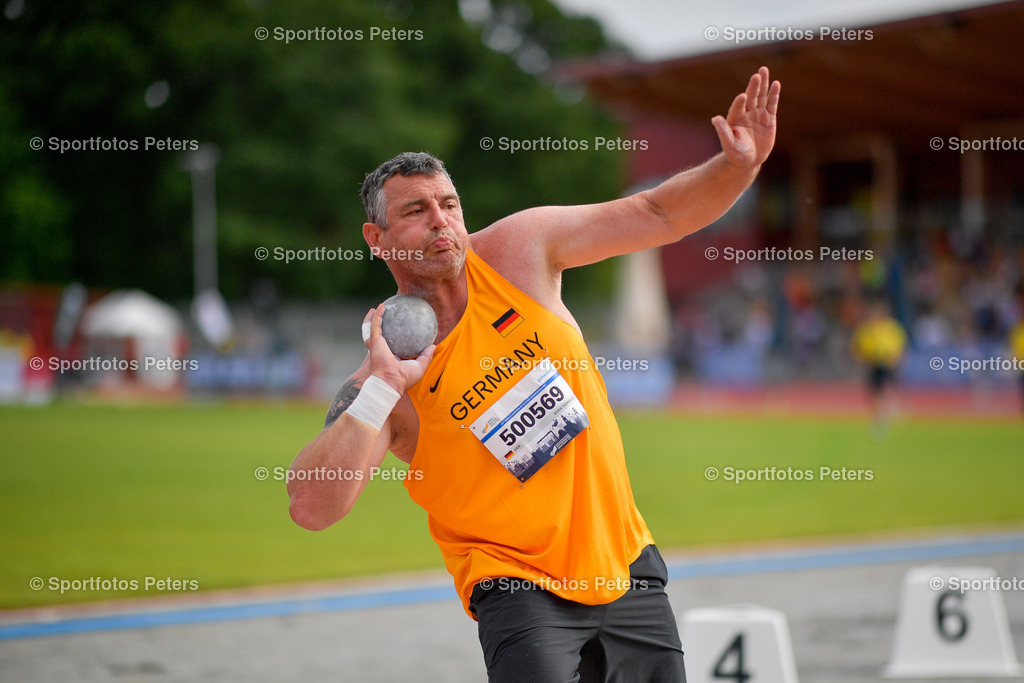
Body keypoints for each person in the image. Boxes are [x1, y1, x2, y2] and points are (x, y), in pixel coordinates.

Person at [288, 66, 781, 682]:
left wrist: (736, 167)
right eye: (416, 211)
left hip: (625, 564)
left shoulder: (519, 253)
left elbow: (655, 213)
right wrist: (383, 386)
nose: (441, 221)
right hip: (517, 587)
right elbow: (312, 505)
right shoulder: (385, 379)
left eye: (449, 203)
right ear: (377, 238)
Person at [851, 299, 907, 436]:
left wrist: (897, 358)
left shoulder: (891, 327)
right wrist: (862, 358)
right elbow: (858, 345)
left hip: (887, 362)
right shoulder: (867, 329)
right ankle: (879, 415)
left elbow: (900, 344)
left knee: (891, 387)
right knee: (875, 390)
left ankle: (892, 410)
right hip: (874, 362)